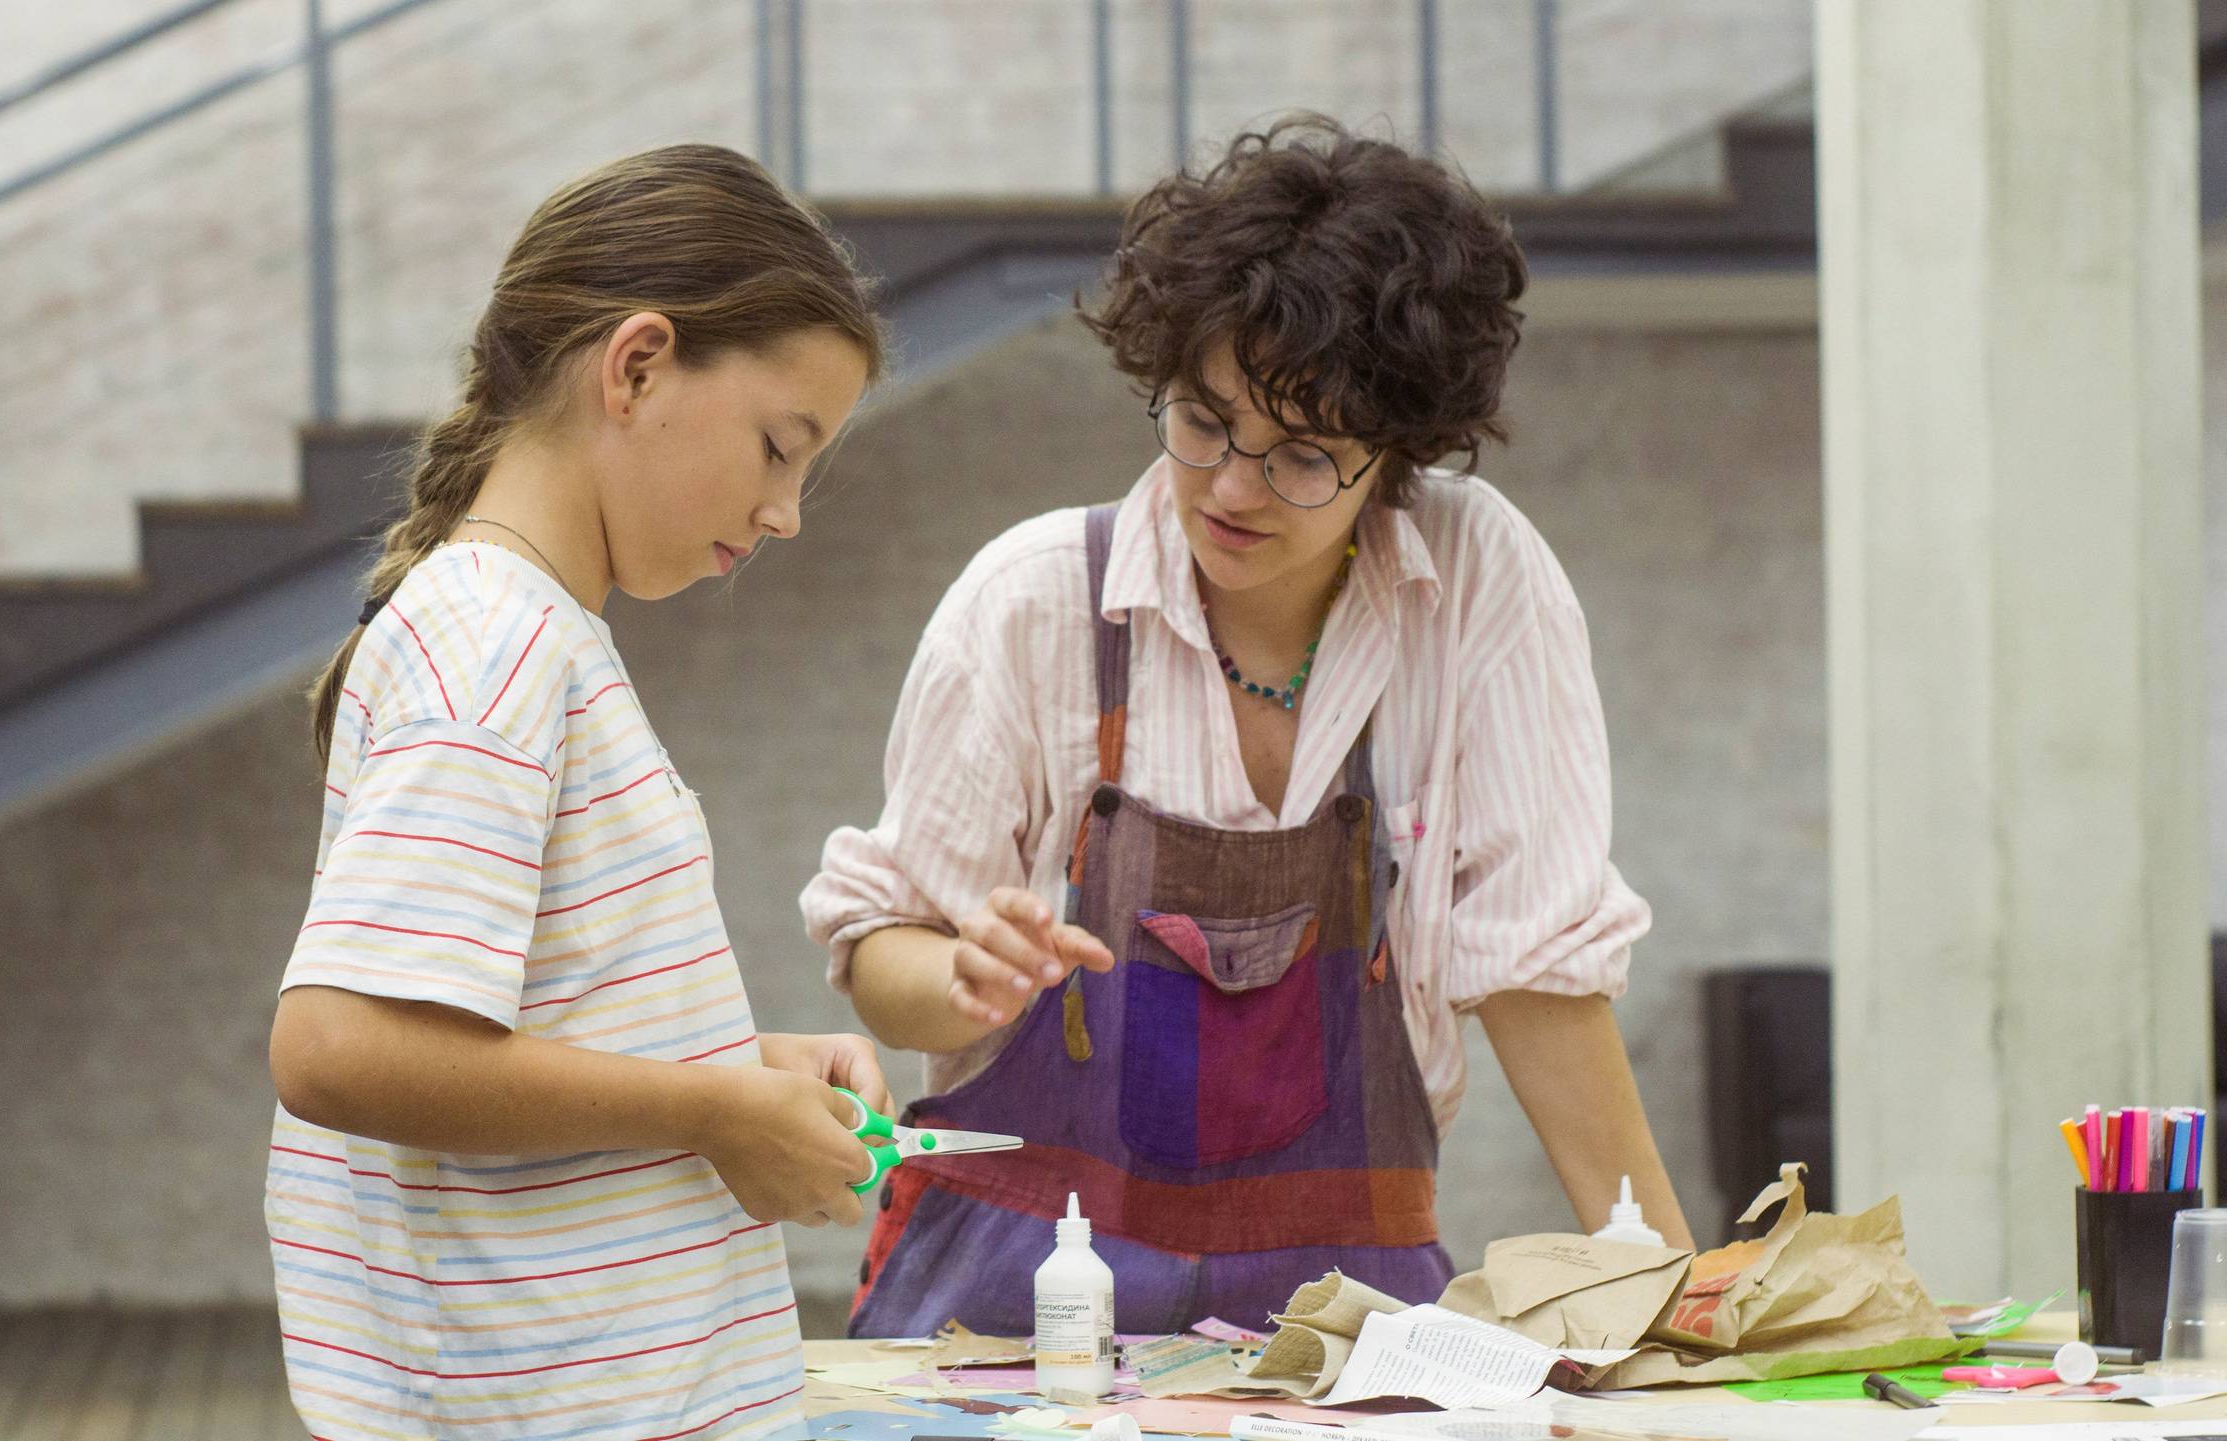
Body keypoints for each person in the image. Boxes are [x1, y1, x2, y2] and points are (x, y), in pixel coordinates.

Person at [803, 115, 1695, 1339]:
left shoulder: (1477, 578)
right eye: (1204, 420)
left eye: (1303, 455)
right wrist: (955, 977)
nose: (1230, 487)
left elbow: (1535, 969)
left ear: (1399, 451)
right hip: (1010, 1296)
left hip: (1342, 1311)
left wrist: (1669, 1291)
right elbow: (877, 952)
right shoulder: (1032, 601)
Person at [264, 145, 893, 1441]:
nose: (785, 514)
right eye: (780, 448)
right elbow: (340, 1048)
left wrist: (743, 1066)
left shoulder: (522, 638)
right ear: (638, 364)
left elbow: (503, 1029)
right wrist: (712, 1107)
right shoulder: (497, 648)